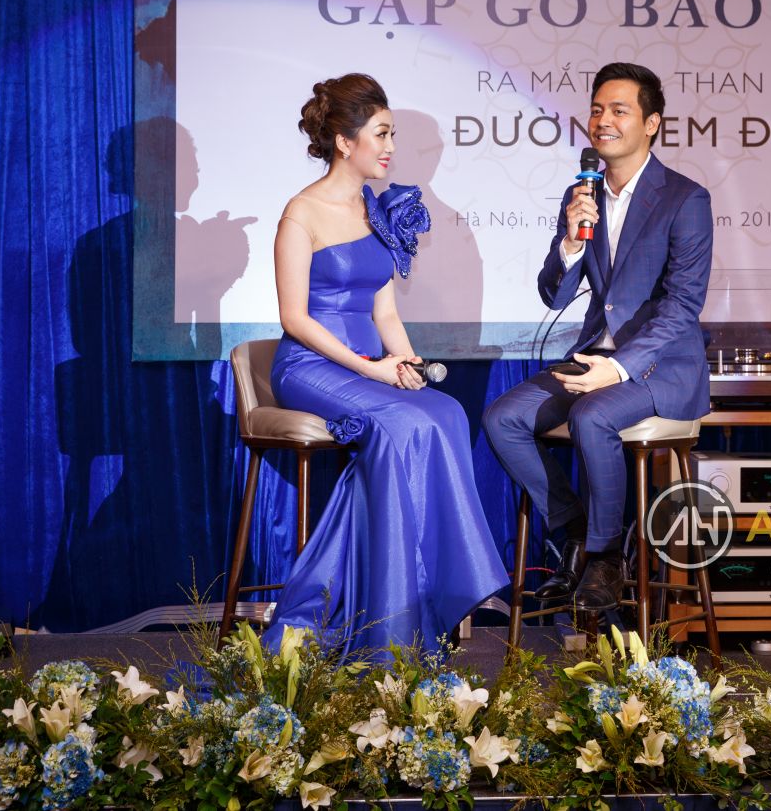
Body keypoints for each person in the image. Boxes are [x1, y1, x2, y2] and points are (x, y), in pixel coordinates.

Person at [262, 73, 507, 655]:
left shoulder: (375, 210)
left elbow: (385, 310)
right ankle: (383, 617)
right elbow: (294, 318)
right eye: (381, 133)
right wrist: (370, 369)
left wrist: (404, 359)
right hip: (310, 366)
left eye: (392, 133)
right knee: (402, 425)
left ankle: (407, 604)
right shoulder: (301, 212)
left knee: (444, 412)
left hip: (366, 364)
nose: (391, 146)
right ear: (344, 142)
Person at [483, 62, 715, 613]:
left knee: (592, 416)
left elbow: (683, 306)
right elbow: (554, 294)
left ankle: (607, 557)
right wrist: (570, 241)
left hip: (660, 368)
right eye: (596, 110)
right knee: (503, 418)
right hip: (594, 359)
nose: (602, 120)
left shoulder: (685, 199)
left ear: (651, 123)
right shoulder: (581, 193)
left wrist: (619, 367)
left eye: (618, 110)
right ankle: (575, 535)